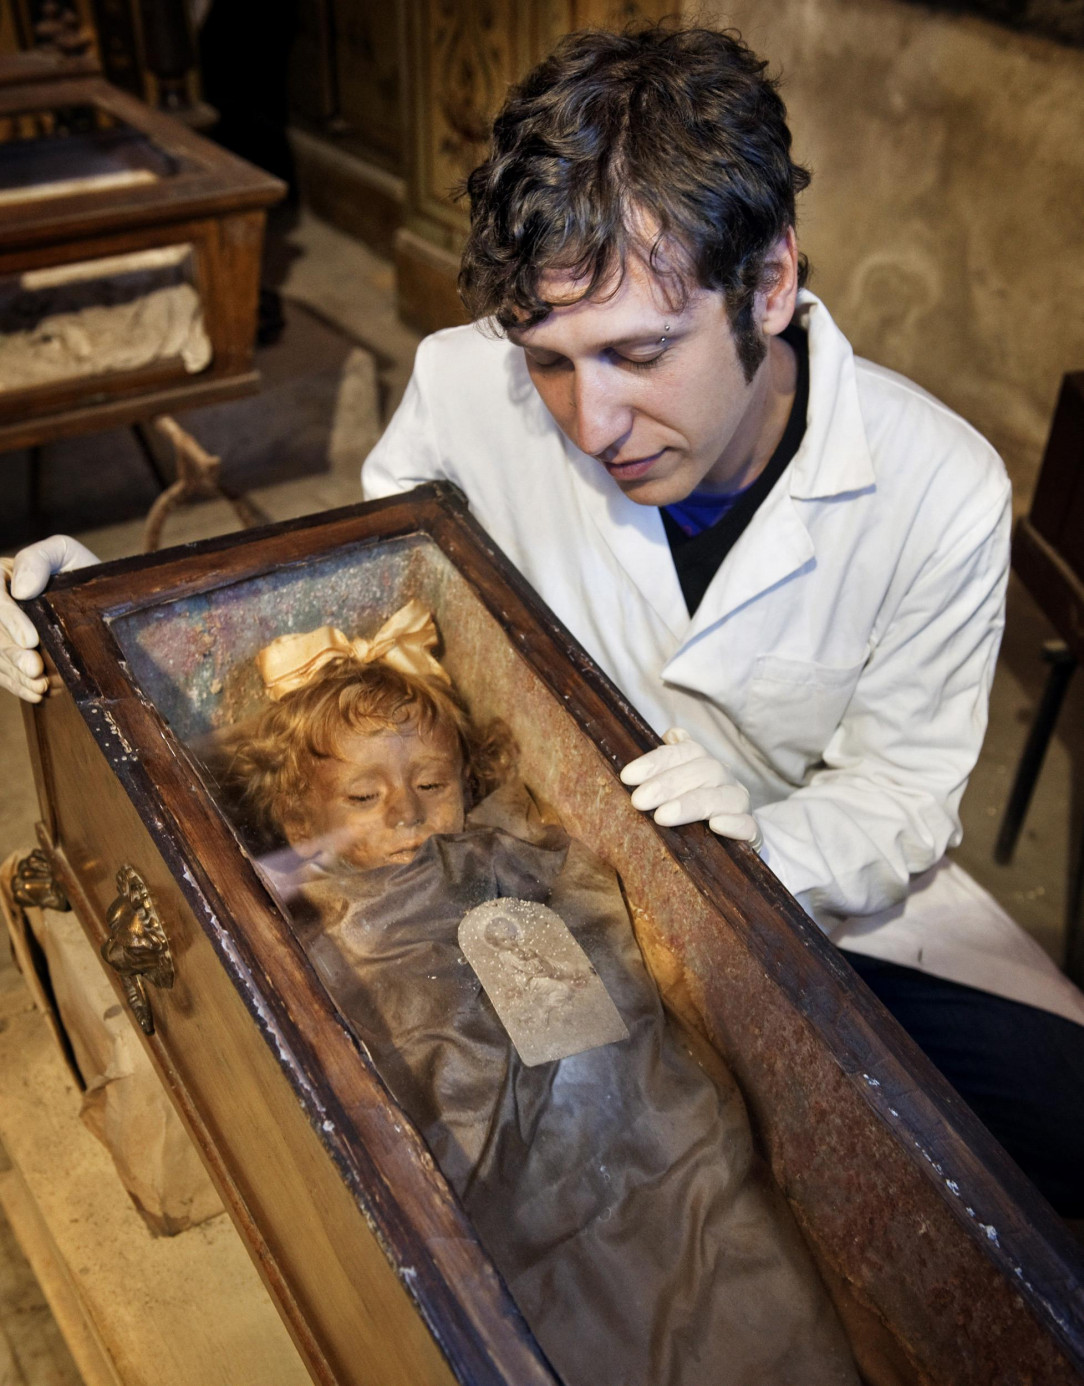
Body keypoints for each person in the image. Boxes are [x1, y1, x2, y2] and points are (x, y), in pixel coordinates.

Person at [2, 24, 1083, 1215]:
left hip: (807, 897)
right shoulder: (468, 384)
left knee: (1032, 1140)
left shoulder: (937, 484)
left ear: (770, 283)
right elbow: (367, 616)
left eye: (641, 352)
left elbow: (897, 796)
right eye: (552, 360)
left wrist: (757, 846)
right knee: (492, 1173)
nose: (592, 422)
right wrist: (113, 614)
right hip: (522, 860)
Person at [209, 602, 858, 1386]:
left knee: (693, 1236)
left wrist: (561, 1094)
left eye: (431, 782)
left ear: (467, 779)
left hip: (590, 1133)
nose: (407, 814)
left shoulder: (502, 866)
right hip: (458, 1168)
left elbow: (592, 1033)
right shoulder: (313, 919)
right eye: (361, 798)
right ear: (296, 811)